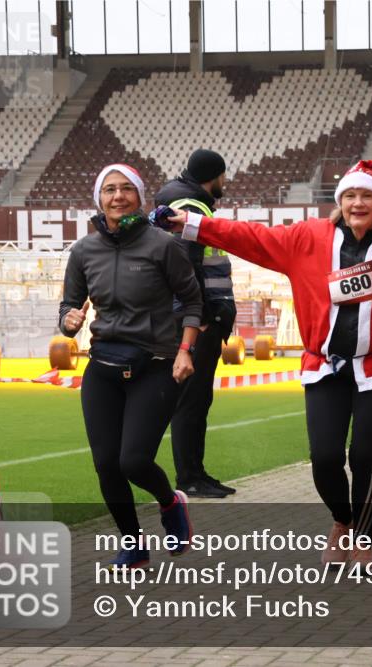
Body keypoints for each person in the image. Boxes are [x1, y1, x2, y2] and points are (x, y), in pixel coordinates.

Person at [156, 160, 372, 571]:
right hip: (324, 365)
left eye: (367, 196)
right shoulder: (308, 239)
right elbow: (251, 236)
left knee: (365, 455)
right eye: (350, 195)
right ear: (339, 201)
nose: (358, 203)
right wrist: (191, 224)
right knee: (325, 456)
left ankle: (362, 538)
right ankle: (342, 521)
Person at [59, 164, 202, 569]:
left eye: (126, 189)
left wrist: (185, 349)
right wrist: (69, 320)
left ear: (140, 197)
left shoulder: (163, 246)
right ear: (98, 199)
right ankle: (134, 543)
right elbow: (69, 305)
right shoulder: (84, 251)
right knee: (106, 464)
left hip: (156, 365)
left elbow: (192, 302)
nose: (117, 196)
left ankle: (170, 501)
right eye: (109, 190)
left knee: (133, 461)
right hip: (103, 367)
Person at [156, 149, 236, 499]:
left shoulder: (182, 200)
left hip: (194, 317)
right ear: (213, 176)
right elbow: (187, 267)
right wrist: (200, 318)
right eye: (223, 175)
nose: (225, 182)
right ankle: (189, 477)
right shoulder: (193, 207)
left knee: (196, 399)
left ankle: (195, 473)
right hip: (197, 320)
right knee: (191, 400)